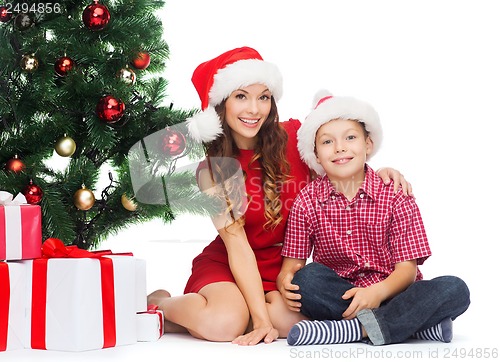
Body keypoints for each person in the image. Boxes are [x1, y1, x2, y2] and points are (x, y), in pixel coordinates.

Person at [147, 47, 411, 346]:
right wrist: (260, 320)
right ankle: (161, 305)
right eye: (241, 96)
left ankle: (233, 312)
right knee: (223, 325)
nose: (254, 109)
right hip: (232, 261)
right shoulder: (212, 170)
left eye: (263, 97)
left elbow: (340, 154)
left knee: (295, 322)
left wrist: (379, 169)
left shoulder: (296, 136)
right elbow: (237, 246)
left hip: (285, 266)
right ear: (221, 103)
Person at [278, 90, 470, 346]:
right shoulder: (307, 201)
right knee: (307, 280)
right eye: (327, 142)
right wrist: (286, 279)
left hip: (396, 292)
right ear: (315, 153)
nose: (340, 148)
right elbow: (293, 266)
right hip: (342, 296)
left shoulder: (394, 194)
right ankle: (414, 326)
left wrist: (377, 293)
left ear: (367, 145)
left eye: (350, 137)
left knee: (455, 289)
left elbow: (407, 271)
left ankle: (353, 331)